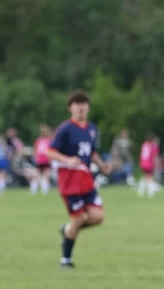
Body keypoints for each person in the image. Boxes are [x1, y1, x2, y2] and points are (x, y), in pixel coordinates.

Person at [46, 90, 111, 269]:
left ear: (88, 107)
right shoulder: (66, 128)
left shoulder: (91, 129)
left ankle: (67, 230)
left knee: (97, 217)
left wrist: (101, 164)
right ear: (71, 108)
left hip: (86, 181)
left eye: (84, 103)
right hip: (70, 183)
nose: (81, 107)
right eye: (77, 103)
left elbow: (92, 152)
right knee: (79, 217)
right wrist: (68, 160)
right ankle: (65, 259)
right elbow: (50, 151)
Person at [32, 124, 53, 194]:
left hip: (45, 159)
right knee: (38, 174)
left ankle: (44, 189)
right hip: (41, 160)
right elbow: (35, 150)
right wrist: (35, 157)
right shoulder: (39, 140)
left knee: (45, 175)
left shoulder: (48, 140)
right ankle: (35, 189)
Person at [138, 133, 160, 198]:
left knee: (145, 177)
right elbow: (155, 157)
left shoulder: (144, 144)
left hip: (142, 162)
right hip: (149, 163)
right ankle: (151, 192)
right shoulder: (153, 146)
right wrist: (157, 164)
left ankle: (140, 190)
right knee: (150, 177)